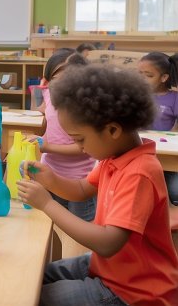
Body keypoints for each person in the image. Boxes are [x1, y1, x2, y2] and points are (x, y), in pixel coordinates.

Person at [18, 64, 178, 306]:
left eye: (80, 140)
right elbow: (82, 189)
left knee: (32, 298)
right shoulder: (114, 156)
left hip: (135, 291)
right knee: (34, 277)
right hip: (111, 269)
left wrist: (47, 204)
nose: (80, 148)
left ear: (112, 129)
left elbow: (107, 242)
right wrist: (48, 178)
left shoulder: (140, 172)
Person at [27, 48, 96, 221]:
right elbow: (48, 122)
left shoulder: (87, 105)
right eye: (55, 79)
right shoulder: (50, 96)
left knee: (81, 229)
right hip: (52, 174)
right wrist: (40, 140)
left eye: (68, 78)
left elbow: (85, 148)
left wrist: (48, 146)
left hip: (80, 179)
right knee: (52, 224)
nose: (61, 85)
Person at [138, 51, 178, 205]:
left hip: (167, 153)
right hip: (143, 151)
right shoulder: (137, 95)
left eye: (148, 75)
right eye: (139, 74)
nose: (141, 79)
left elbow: (176, 130)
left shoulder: (174, 98)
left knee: (175, 193)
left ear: (164, 78)